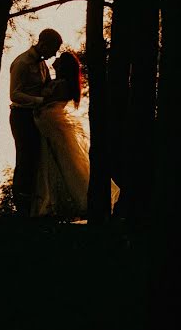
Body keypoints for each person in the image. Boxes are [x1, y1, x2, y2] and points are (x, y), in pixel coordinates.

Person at [31, 50, 120, 219]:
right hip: (52, 125)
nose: (55, 61)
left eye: (59, 60)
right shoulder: (58, 82)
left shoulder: (61, 84)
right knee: (63, 165)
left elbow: (47, 104)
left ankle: (71, 203)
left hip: (53, 126)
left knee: (67, 165)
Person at [9, 28, 63, 217]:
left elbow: (45, 86)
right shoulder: (22, 62)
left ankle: (33, 204)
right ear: (43, 44)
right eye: (53, 49)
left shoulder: (43, 66)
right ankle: (20, 205)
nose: (53, 54)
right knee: (25, 158)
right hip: (21, 117)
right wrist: (40, 101)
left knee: (36, 159)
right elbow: (14, 94)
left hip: (37, 117)